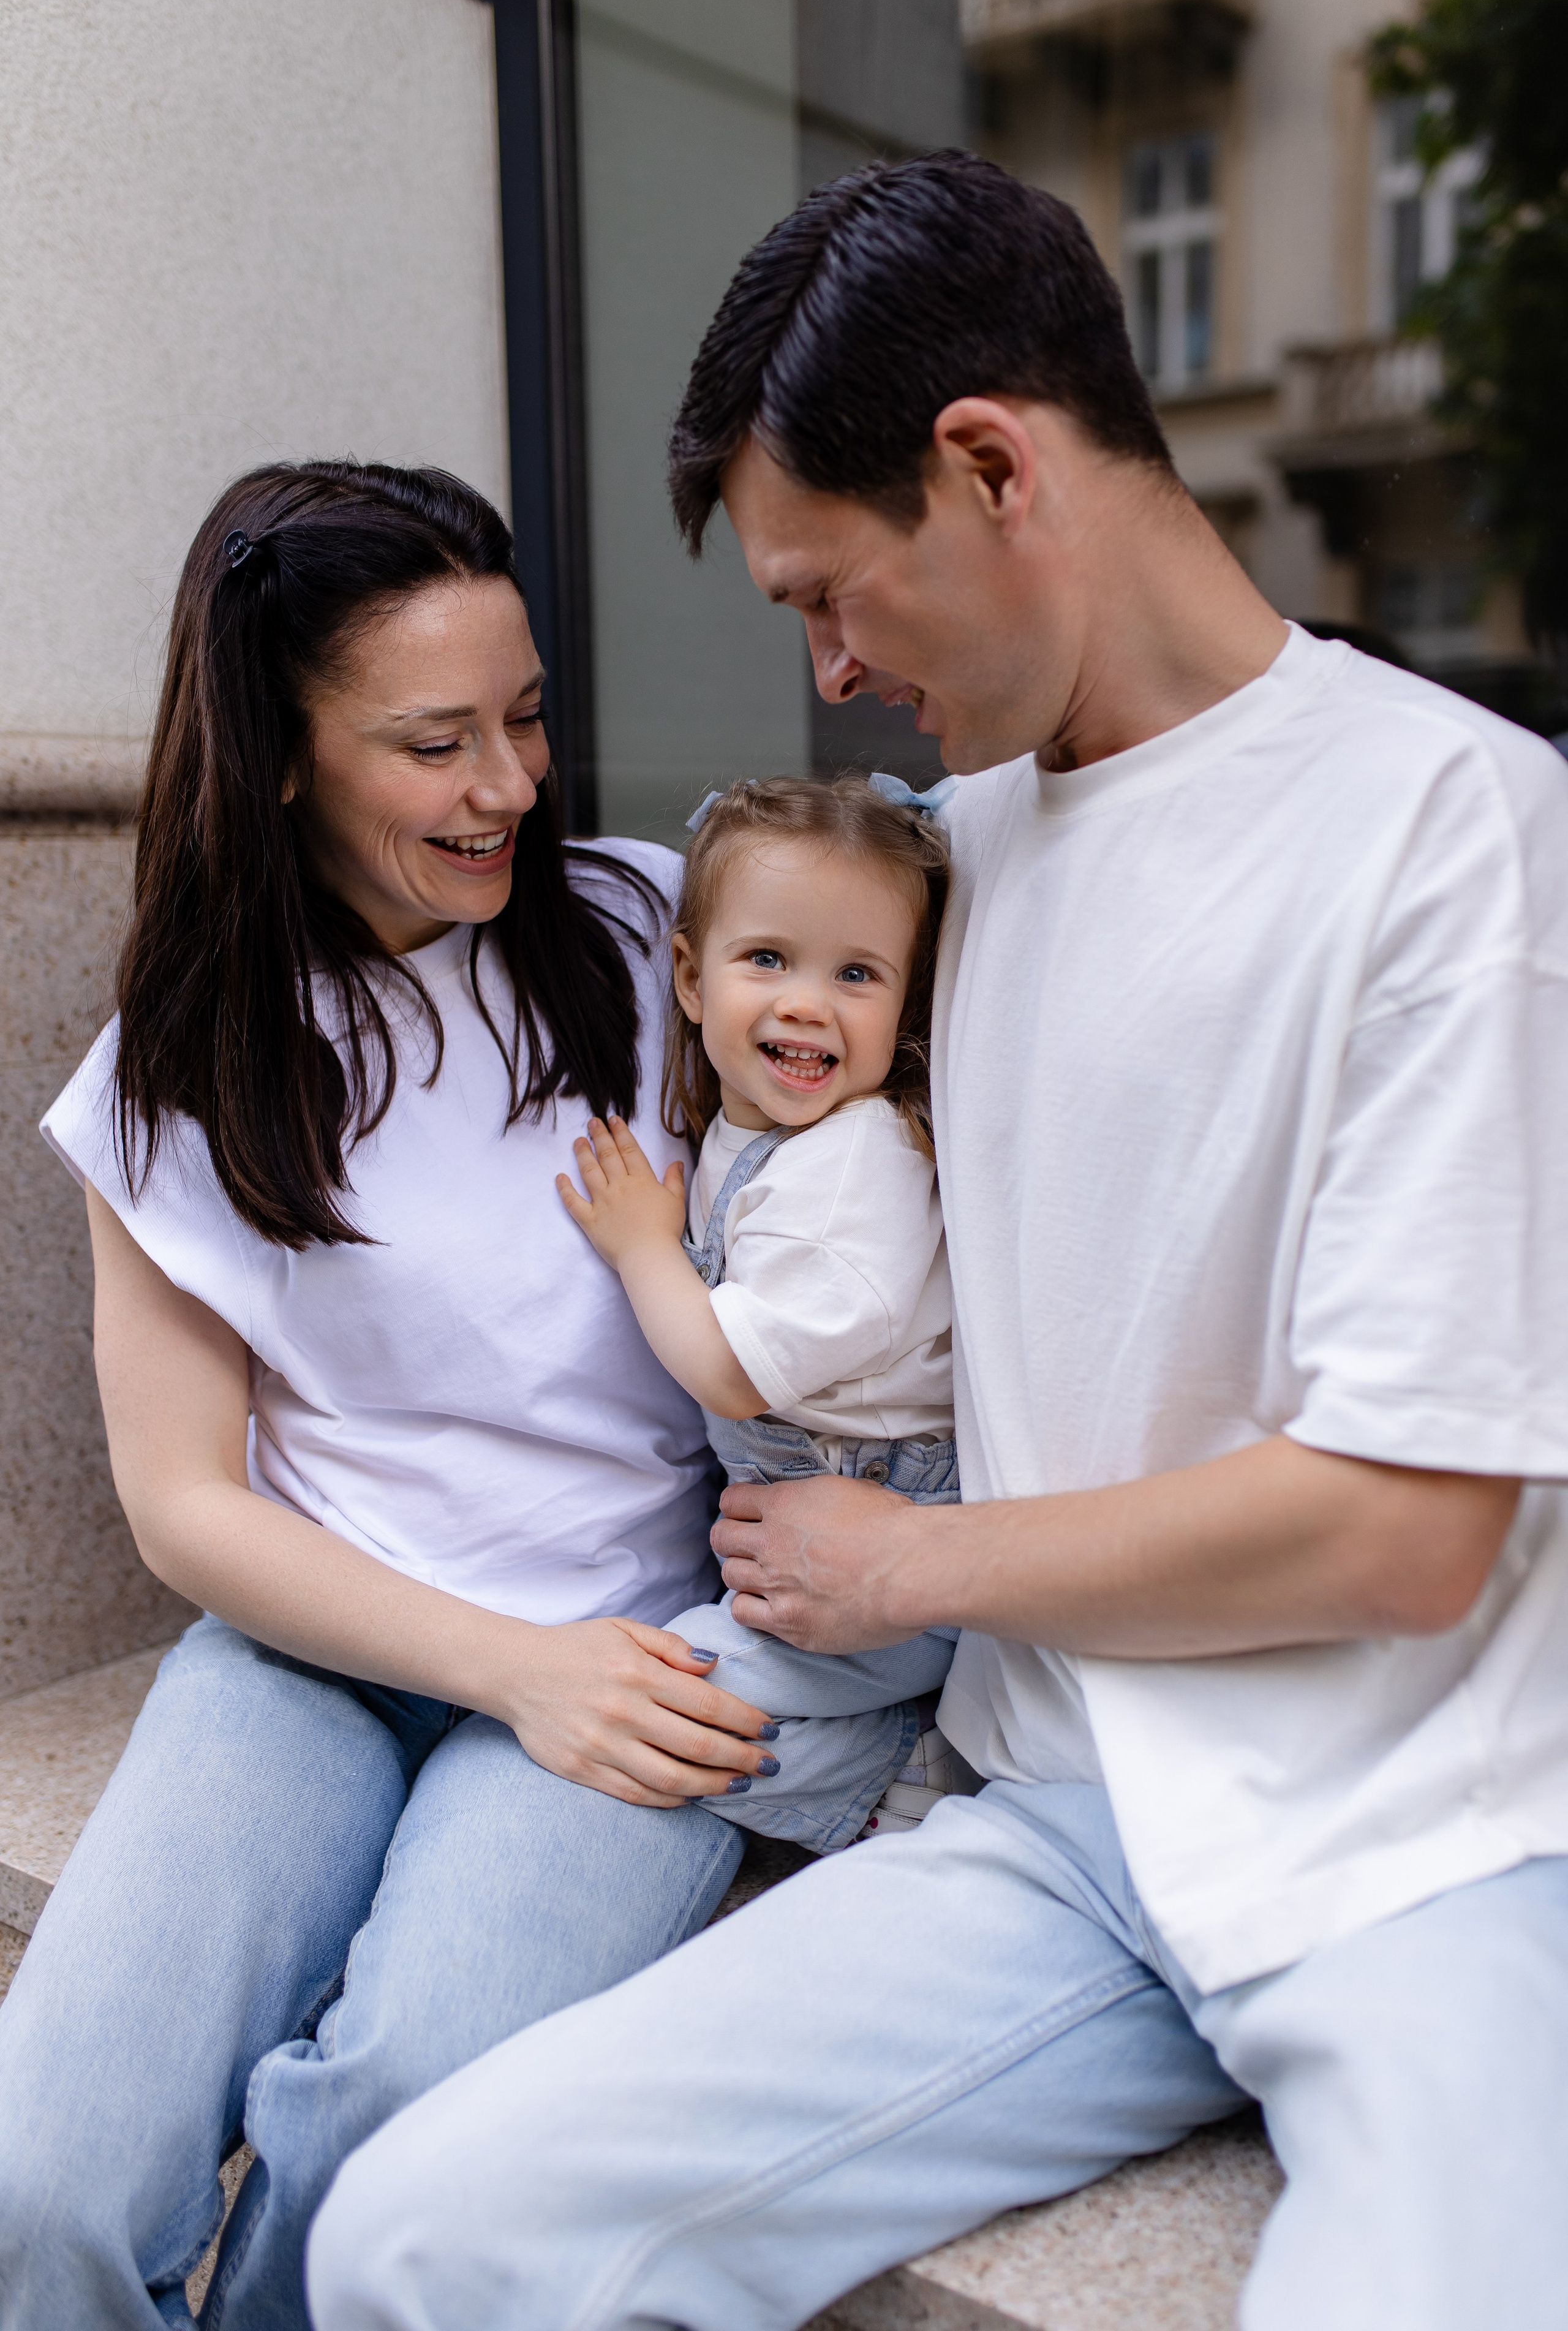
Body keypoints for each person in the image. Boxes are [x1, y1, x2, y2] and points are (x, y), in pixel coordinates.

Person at [307, 157, 1568, 2331]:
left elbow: (1412, 1531)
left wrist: (914, 1570)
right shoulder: (940, 872)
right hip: (1049, 1822)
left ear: (989, 467)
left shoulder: (1456, 829)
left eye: (830, 593)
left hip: (1418, 1834)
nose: (823, 668)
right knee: (424, 2242)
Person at [0, 461, 790, 2330]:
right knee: (36, 2185)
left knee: (396, 2126)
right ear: (281, 757)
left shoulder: (651, 937)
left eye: (528, 717)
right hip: (320, 1653)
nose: (512, 784)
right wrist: (499, 1664)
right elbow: (184, 1504)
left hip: (625, 1659)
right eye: (438, 742)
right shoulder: (176, 1075)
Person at [559, 774, 967, 1849]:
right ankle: (891, 1743)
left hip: (881, 1561)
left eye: (858, 974)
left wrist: (645, 1248)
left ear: (906, 1004)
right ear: (690, 979)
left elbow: (733, 1374)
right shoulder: (761, 1135)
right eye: (769, 959)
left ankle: (895, 1771)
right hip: (803, 1544)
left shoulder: (852, 1166)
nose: (806, 1002)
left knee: (649, 1705)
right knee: (639, 1706)